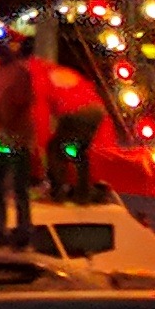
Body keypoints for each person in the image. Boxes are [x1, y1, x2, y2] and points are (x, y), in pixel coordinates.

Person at [0, 29, 43, 244]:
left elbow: (21, 103)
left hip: (15, 139)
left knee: (18, 189)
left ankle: (23, 231)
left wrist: (3, 125)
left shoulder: (20, 73)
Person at [41, 52, 105, 203]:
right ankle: (83, 192)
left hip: (76, 111)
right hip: (95, 110)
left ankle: (58, 190)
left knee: (55, 149)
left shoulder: (41, 78)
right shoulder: (64, 73)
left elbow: (41, 112)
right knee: (77, 151)